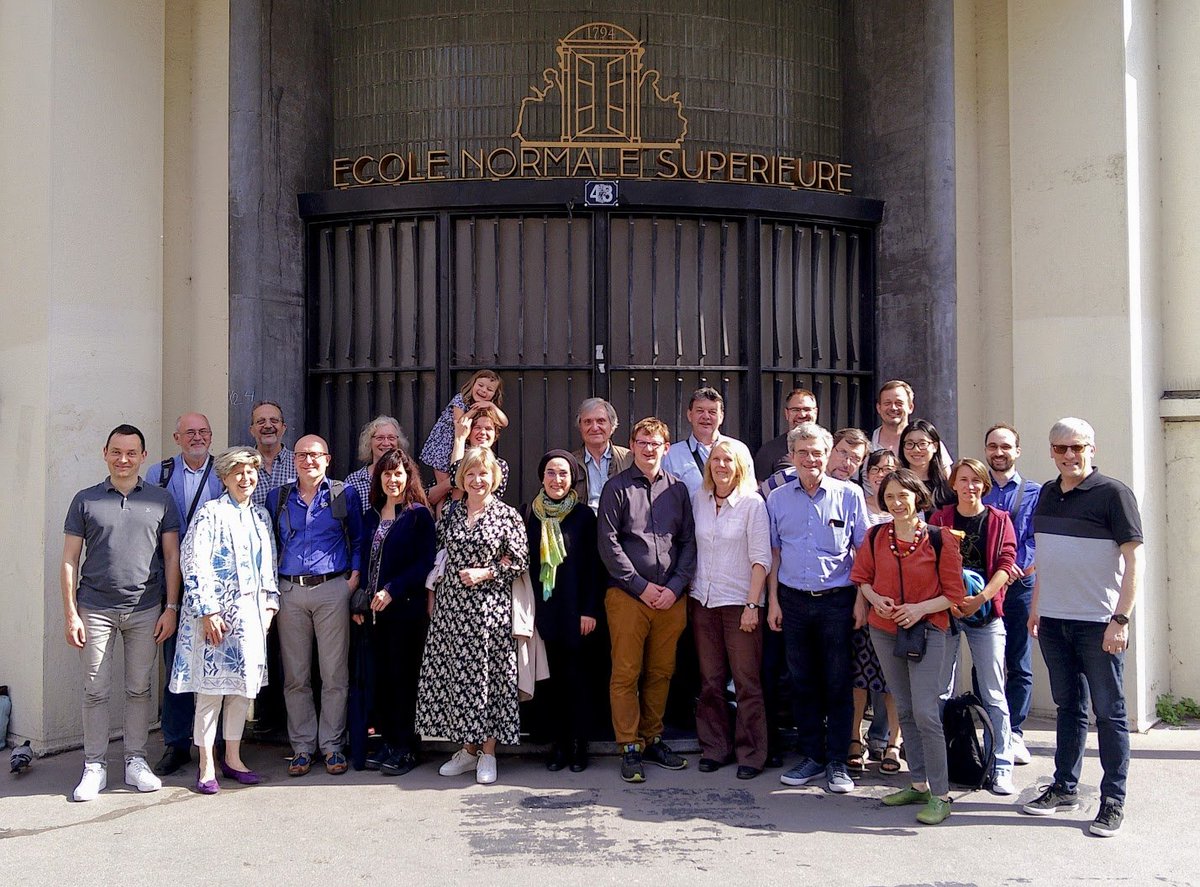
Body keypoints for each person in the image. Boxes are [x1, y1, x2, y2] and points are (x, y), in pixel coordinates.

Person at [1022, 418, 1142, 838]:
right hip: (1055, 622)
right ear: (1051, 452)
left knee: (1110, 714)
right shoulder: (1048, 494)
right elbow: (1047, 558)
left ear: (1093, 448)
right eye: (1060, 449)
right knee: (1068, 709)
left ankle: (1112, 802)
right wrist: (1038, 607)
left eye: (1077, 447)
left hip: (1099, 624)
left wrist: (1121, 619)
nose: (1069, 455)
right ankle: (1064, 788)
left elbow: (1133, 564)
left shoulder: (1114, 494)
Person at [60, 424, 181, 801]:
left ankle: (135, 761)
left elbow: (172, 556)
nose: (123, 459)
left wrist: (171, 607)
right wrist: (70, 614)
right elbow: (69, 561)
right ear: (105, 452)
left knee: (138, 688)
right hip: (94, 608)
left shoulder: (161, 499)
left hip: (146, 609)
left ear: (143, 456)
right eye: (116, 451)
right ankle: (94, 766)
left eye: (131, 453)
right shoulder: (86, 500)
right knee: (95, 691)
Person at [850, 468, 966, 825]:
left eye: (903, 495)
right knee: (904, 707)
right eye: (889, 497)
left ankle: (942, 794)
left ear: (918, 496)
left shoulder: (941, 539)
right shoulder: (874, 536)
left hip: (929, 629)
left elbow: (954, 595)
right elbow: (862, 578)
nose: (897, 503)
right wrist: (876, 599)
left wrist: (918, 609)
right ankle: (918, 783)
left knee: (926, 711)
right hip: (885, 629)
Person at [766, 422, 869, 794]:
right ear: (792, 457)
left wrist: (860, 602)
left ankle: (838, 761)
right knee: (801, 682)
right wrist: (773, 601)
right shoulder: (777, 498)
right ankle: (812, 756)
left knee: (838, 683)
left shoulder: (849, 495)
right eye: (804, 452)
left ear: (830, 456)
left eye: (818, 453)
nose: (811, 459)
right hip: (792, 601)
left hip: (837, 603)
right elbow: (774, 553)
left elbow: (864, 555)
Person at [416, 447, 529, 785]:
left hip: (489, 611)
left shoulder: (507, 515)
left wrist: (487, 573)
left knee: (488, 679)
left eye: (483, 473)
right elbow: (438, 557)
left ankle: (489, 752)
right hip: (452, 610)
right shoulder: (449, 512)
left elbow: (520, 559)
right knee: (459, 679)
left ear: (493, 477)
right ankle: (467, 750)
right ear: (461, 479)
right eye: (470, 474)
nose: (477, 480)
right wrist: (432, 596)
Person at [169, 447, 278, 794]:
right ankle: (206, 763)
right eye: (238, 473)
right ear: (225, 478)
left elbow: (269, 565)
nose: (246, 479)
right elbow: (193, 562)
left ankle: (233, 757)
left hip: (251, 618)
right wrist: (207, 610)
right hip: (216, 618)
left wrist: (270, 607)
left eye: (251, 472)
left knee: (240, 692)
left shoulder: (261, 516)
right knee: (210, 691)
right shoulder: (210, 514)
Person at [597, 417, 697, 783]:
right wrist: (641, 587)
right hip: (627, 595)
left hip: (671, 597)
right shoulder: (616, 488)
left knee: (660, 671)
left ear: (666, 448)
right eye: (642, 442)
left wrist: (675, 586)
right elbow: (608, 544)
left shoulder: (679, 490)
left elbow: (688, 541)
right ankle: (628, 745)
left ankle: (653, 738)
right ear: (632, 445)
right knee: (626, 672)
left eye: (655, 443)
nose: (649, 448)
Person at [266, 434, 364, 777]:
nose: (309, 461)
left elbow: (359, 537)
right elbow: (269, 541)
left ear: (328, 459)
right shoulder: (278, 497)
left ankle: (333, 746)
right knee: (296, 675)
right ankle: (302, 748)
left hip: (331, 589)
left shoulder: (342, 493)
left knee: (335, 673)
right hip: (290, 590)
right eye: (302, 455)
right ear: (294, 460)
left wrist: (352, 580)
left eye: (315, 455)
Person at [929, 458, 1019, 795]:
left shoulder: (999, 520)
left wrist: (982, 598)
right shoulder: (941, 519)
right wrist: (950, 601)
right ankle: (940, 765)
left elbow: (1007, 564)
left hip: (986, 614)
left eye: (976, 481)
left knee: (993, 692)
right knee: (940, 690)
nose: (969, 486)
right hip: (946, 612)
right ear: (953, 484)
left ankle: (1001, 765)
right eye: (963, 480)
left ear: (985, 485)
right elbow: (931, 562)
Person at [144, 412, 225, 777]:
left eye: (203, 431)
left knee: (217, 663)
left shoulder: (224, 472)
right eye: (189, 432)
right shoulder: (158, 474)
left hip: (215, 584)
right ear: (177, 437)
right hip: (172, 582)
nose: (197, 437)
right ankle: (175, 743)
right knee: (176, 663)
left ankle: (216, 743)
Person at [690, 439, 771, 779]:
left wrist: (753, 605)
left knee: (746, 682)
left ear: (740, 466)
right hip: (703, 602)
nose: (720, 465)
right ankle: (715, 748)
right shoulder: (700, 500)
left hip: (740, 603)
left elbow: (761, 559)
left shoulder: (752, 504)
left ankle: (751, 754)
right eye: (715, 459)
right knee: (710, 682)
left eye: (728, 460)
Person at [522, 449, 603, 772]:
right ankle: (557, 746)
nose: (557, 480)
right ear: (542, 477)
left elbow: (594, 569)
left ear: (572, 480)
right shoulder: (531, 513)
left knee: (577, 681)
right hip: (545, 611)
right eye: (551, 473)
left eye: (563, 474)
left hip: (576, 611)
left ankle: (579, 745)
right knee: (550, 683)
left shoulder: (584, 517)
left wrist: (590, 610)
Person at [359, 448, 436, 777]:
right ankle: (389, 742)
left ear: (408, 478)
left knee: (405, 680)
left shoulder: (419, 515)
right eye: (387, 474)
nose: (393, 479)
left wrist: (392, 589)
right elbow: (363, 560)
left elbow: (424, 564)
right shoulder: (371, 514)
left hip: (405, 611)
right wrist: (361, 601)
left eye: (398, 474)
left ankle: (407, 747)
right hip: (375, 614)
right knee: (383, 680)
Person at [981, 423, 1041, 764]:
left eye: (1005, 446)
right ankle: (990, 729)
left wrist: (1014, 565)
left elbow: (1036, 537)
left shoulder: (1034, 492)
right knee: (985, 660)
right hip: (985, 589)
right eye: (992, 446)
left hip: (1019, 585)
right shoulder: (976, 487)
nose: (999, 452)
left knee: (1018, 660)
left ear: (1017, 451)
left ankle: (1015, 731)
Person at [852, 447, 903, 769]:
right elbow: (859, 566)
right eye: (876, 469)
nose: (882, 474)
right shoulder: (859, 505)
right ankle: (854, 738)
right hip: (865, 603)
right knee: (860, 676)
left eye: (889, 468)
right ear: (867, 474)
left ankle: (892, 744)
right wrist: (864, 602)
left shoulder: (911, 511)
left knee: (894, 680)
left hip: (903, 609)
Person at [422, 370, 508, 507]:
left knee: (454, 485)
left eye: (489, 389)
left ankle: (451, 513)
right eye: (480, 385)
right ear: (472, 384)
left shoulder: (498, 465)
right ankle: (444, 518)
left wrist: (491, 406)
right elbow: (459, 423)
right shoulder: (461, 399)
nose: (483, 390)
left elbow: (505, 422)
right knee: (445, 488)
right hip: (442, 445)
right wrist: (474, 410)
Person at [661, 386, 738, 496]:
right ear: (689, 415)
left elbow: (749, 492)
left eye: (712, 412)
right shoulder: (671, 456)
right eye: (700, 411)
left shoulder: (739, 450)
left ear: (721, 417)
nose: (706, 416)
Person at [870, 380, 952, 469]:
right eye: (887, 403)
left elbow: (945, 479)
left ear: (910, 407)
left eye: (899, 403)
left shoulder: (928, 443)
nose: (893, 408)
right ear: (878, 408)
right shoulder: (868, 443)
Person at [573, 397, 633, 512]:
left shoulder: (629, 459)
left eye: (601, 421)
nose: (595, 428)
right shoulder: (570, 463)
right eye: (587, 422)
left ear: (612, 426)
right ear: (580, 427)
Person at [346, 415, 410, 513]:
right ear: (369, 443)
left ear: (398, 442)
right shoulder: (354, 481)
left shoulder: (407, 475)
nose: (386, 443)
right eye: (380, 438)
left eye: (391, 438)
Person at [754, 388, 817, 482]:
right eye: (796, 410)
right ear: (787, 413)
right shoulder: (769, 451)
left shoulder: (831, 447)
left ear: (815, 412)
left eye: (807, 409)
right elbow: (762, 491)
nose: (802, 415)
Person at [248, 401, 297, 507]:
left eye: (274, 421)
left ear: (283, 428)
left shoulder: (299, 463)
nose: (268, 425)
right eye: (261, 421)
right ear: (252, 430)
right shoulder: (241, 465)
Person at [898, 419, 955, 510]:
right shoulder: (895, 484)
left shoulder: (948, 489)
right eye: (909, 444)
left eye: (922, 444)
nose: (916, 449)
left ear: (935, 447)